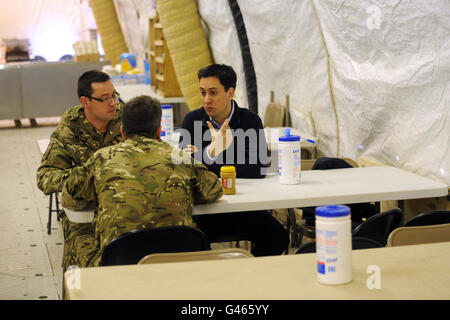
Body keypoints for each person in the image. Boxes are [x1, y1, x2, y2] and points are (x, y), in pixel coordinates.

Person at [61, 95, 223, 267]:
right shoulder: (180, 157)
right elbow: (214, 190)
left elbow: (70, 195)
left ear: (123, 131)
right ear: (159, 131)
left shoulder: (102, 158)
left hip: (117, 264)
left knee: (76, 231)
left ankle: (77, 291)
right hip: (176, 261)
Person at [179, 64, 289, 256]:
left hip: (245, 207)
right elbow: (184, 169)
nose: (206, 100)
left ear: (230, 93)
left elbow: (257, 169)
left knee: (277, 235)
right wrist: (222, 158)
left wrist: (207, 158)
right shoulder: (192, 120)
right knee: (188, 239)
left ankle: (256, 277)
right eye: (203, 92)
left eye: (213, 93)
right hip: (204, 209)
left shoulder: (250, 120)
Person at [36, 70, 124, 269]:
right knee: (92, 271)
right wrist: (87, 177)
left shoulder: (127, 122)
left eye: (113, 95)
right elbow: (45, 177)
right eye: (104, 98)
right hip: (86, 221)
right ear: (85, 102)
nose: (112, 103)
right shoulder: (68, 133)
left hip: (126, 212)